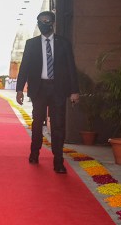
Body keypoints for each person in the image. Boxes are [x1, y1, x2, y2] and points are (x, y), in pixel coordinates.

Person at [16, 11, 79, 174]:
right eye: (41, 21)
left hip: (58, 89)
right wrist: (19, 89)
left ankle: (58, 161)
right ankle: (34, 152)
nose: (44, 23)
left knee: (58, 124)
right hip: (39, 89)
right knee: (38, 122)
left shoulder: (64, 43)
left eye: (47, 21)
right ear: (38, 24)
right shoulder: (31, 44)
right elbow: (24, 67)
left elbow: (71, 68)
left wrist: (74, 91)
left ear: (53, 23)